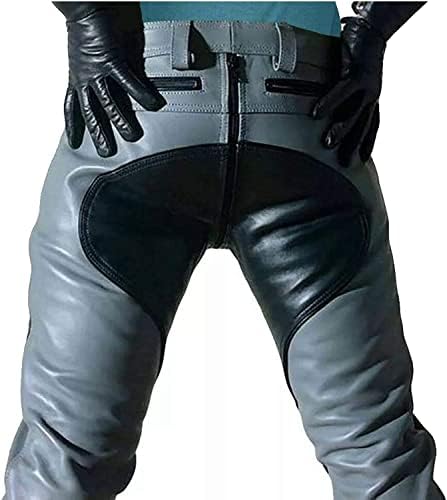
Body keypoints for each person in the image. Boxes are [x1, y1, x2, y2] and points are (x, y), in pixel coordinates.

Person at [2, 1, 445, 498]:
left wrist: (89, 14)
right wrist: (374, 30)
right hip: (306, 112)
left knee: (65, 456)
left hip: (138, 108)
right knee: (376, 453)